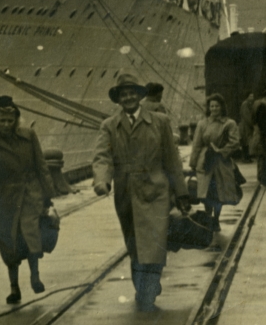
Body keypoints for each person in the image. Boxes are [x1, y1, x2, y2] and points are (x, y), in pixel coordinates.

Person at [93, 73, 190, 313]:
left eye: (131, 93)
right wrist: (102, 181)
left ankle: (148, 288)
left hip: (156, 189)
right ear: (118, 99)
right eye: (123, 94)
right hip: (126, 192)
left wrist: (182, 192)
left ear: (139, 95)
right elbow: (102, 157)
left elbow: (171, 160)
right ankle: (142, 286)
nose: (128, 97)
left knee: (155, 243)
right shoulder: (109, 126)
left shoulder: (160, 122)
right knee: (135, 245)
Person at [0, 96, 56, 304]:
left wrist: (48, 197)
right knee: (9, 241)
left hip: (30, 193)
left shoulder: (29, 135)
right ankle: (14, 288)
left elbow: (41, 166)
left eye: (11, 121)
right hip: (6, 197)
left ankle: (35, 277)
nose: (7, 125)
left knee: (31, 235)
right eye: (2, 121)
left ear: (17, 120)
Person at [188, 94, 242, 232]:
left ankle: (216, 219)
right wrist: (193, 163)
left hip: (221, 163)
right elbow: (197, 144)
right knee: (205, 193)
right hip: (204, 161)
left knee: (218, 193)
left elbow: (235, 142)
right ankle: (208, 217)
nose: (214, 109)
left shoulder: (229, 123)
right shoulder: (202, 123)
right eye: (211, 106)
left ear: (222, 107)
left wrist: (222, 151)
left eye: (217, 106)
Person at [237, 93, 255, 163]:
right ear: (247, 97)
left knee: (247, 142)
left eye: (253, 96)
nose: (252, 97)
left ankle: (247, 157)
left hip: (247, 125)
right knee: (245, 142)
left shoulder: (249, 104)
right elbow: (246, 115)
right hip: (245, 125)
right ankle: (245, 157)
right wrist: (252, 123)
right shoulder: (245, 104)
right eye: (250, 96)